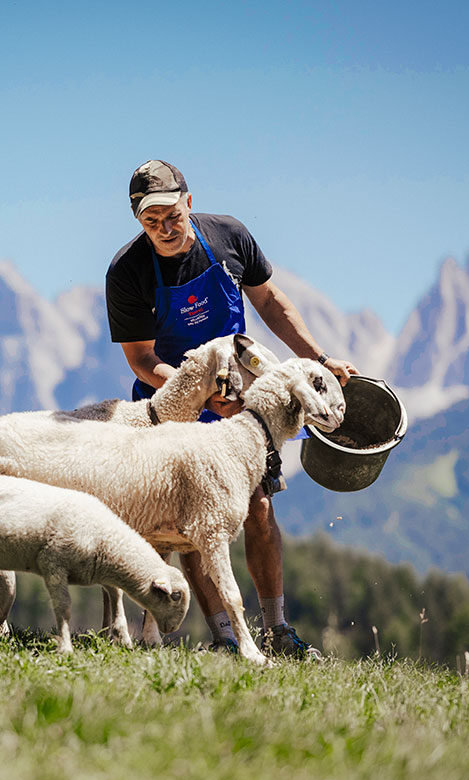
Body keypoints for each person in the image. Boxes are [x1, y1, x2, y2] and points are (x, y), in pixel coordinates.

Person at [105, 160, 357, 657]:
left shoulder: (228, 237)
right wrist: (196, 393)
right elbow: (141, 358)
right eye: (151, 222)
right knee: (190, 527)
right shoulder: (128, 271)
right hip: (173, 402)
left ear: (189, 202)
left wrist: (318, 359)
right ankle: (225, 637)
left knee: (258, 510)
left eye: (172, 216)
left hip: (244, 402)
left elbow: (270, 302)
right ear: (137, 220)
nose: (165, 230)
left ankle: (277, 631)